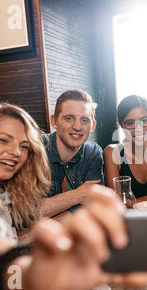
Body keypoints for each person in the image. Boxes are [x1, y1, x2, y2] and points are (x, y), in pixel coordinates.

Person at [0, 103, 147, 290]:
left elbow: (13, 275)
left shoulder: (1, 192)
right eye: (3, 140)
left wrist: (35, 278)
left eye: (24, 146)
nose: (15, 152)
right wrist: (21, 271)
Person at [38, 89, 105, 218]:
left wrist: (42, 227)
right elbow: (25, 212)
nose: (77, 126)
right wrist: (78, 195)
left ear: (93, 125)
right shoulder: (36, 149)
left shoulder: (93, 153)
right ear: (54, 121)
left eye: (85, 120)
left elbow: (94, 206)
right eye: (69, 118)